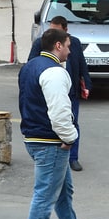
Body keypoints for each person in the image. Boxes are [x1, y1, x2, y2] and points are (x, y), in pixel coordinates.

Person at [19, 29, 100, 219]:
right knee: (45, 195)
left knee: (63, 191)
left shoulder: (30, 67)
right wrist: (70, 138)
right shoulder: (54, 71)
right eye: (67, 45)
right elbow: (59, 111)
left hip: (36, 136)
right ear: (57, 46)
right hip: (50, 141)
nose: (70, 50)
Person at [28, 16, 92, 171]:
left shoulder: (74, 43)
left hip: (71, 91)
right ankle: (55, 152)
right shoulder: (41, 43)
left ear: (65, 30)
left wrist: (87, 84)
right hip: (50, 91)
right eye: (50, 29)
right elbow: (31, 65)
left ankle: (73, 158)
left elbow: (82, 64)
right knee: (56, 119)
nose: (52, 33)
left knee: (73, 122)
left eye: (56, 30)